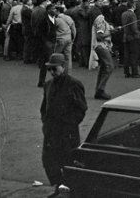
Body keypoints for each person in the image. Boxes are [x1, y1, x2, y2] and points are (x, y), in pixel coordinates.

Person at [40, 53, 87, 198]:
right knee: (49, 160)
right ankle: (59, 186)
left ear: (63, 67)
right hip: (51, 131)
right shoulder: (48, 85)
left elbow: (81, 108)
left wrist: (69, 125)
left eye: (55, 69)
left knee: (68, 161)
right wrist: (46, 124)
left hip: (67, 132)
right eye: (50, 69)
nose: (52, 72)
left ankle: (69, 190)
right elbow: (44, 107)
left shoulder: (74, 84)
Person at [91, 10, 115, 100]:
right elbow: (99, 36)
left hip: (101, 46)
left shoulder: (102, 21)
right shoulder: (100, 19)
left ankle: (99, 89)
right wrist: (111, 32)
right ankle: (100, 89)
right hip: (102, 46)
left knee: (104, 67)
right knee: (109, 66)